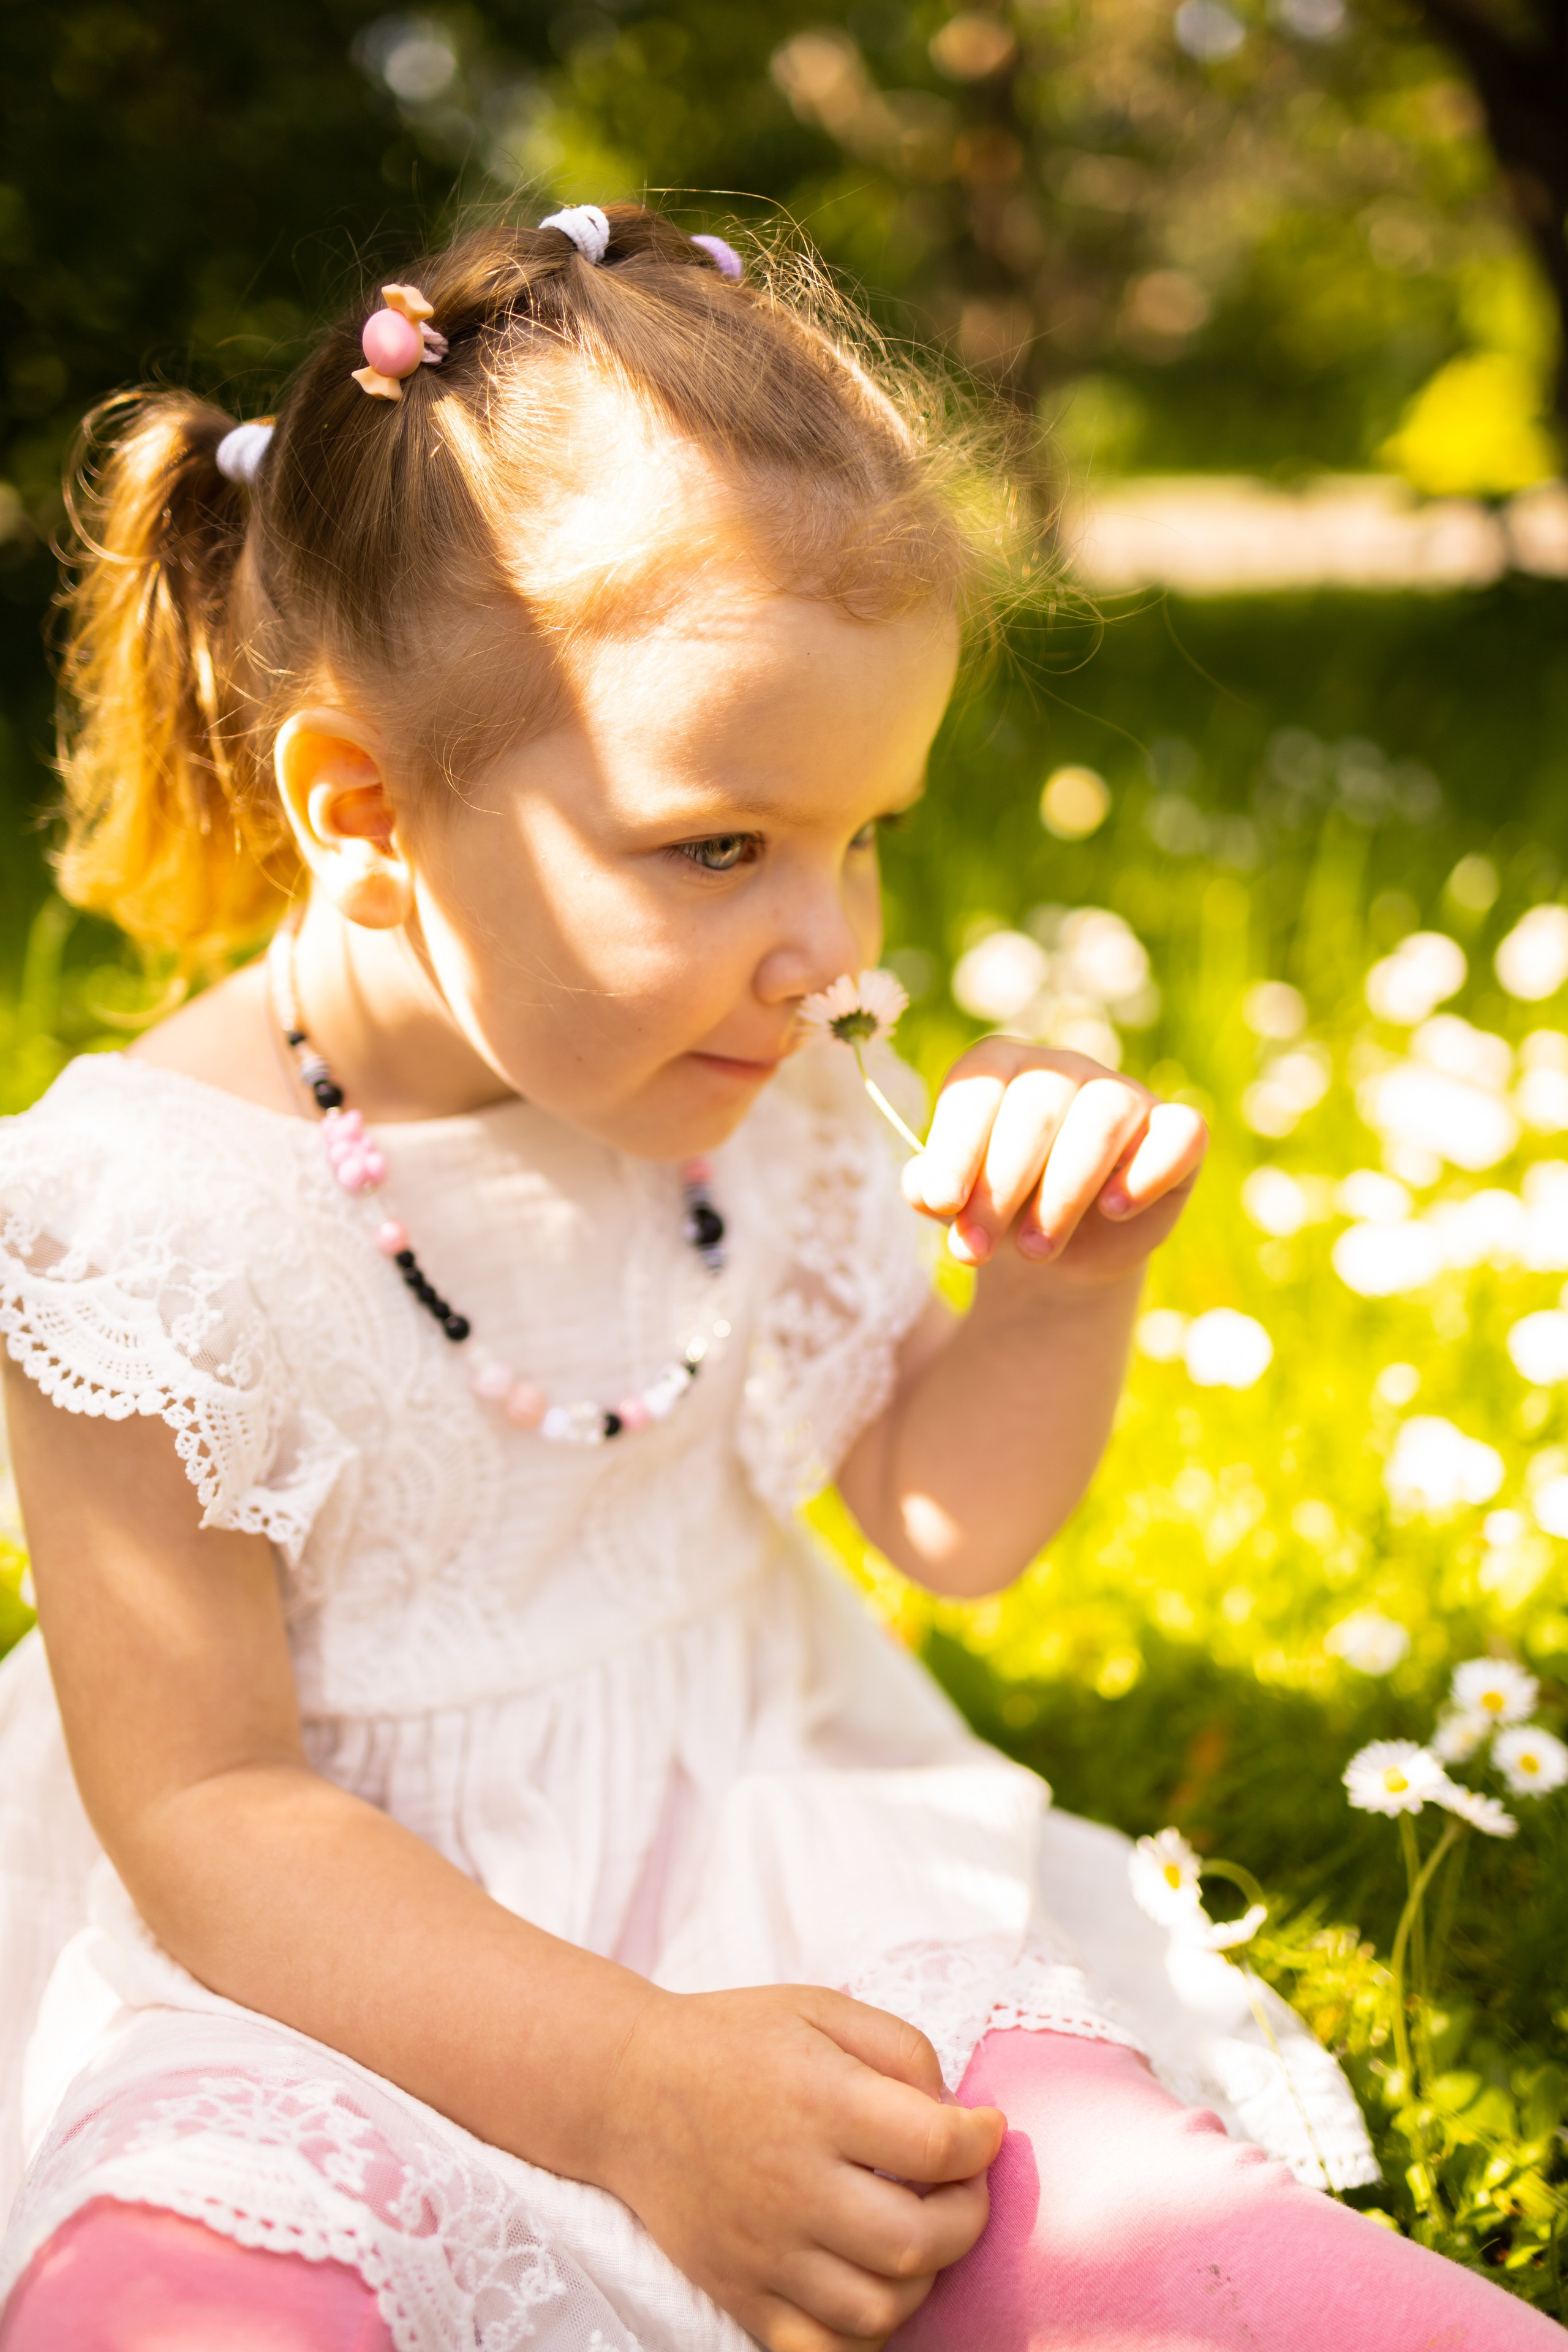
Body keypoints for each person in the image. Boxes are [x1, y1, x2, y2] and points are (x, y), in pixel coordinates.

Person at [0, 202, 1553, 2352]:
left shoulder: (762, 1081)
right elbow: (212, 1820)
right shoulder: (143, 1228)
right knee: (173, 2311)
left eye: (868, 831)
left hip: (772, 1852)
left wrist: (1058, 1296)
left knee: (1116, 2228)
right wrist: (631, 2088)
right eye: (722, 845)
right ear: (364, 813)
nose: (832, 951)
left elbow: (939, 1517)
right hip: (317, 1981)